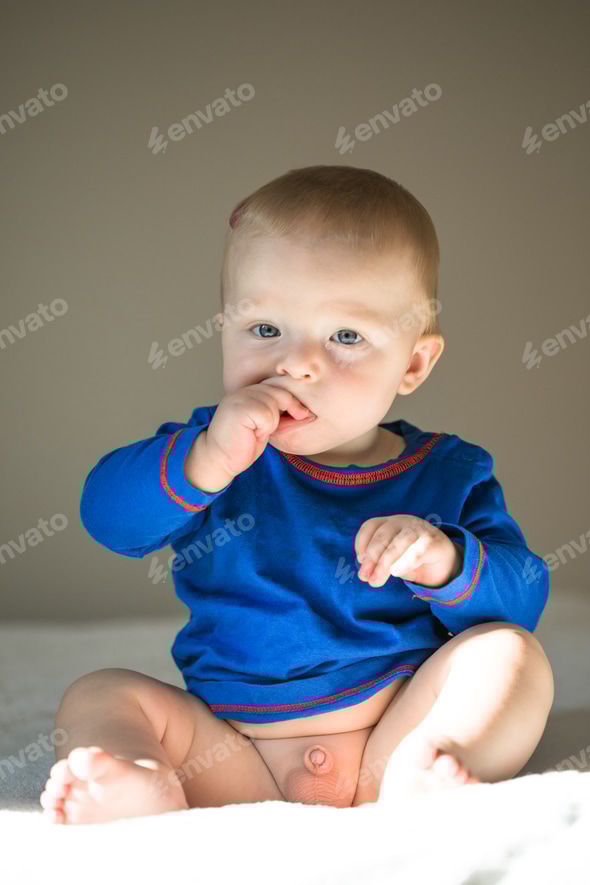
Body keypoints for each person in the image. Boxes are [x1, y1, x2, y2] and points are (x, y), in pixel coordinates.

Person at [40, 165, 554, 824]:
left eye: (345, 335)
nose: (296, 362)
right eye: (264, 329)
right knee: (101, 692)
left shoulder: (450, 472)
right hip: (232, 754)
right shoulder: (213, 451)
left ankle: (440, 762)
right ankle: (146, 782)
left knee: (513, 655)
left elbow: (524, 594)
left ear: (414, 364)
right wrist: (203, 463)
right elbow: (105, 516)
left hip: (390, 741)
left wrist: (446, 561)